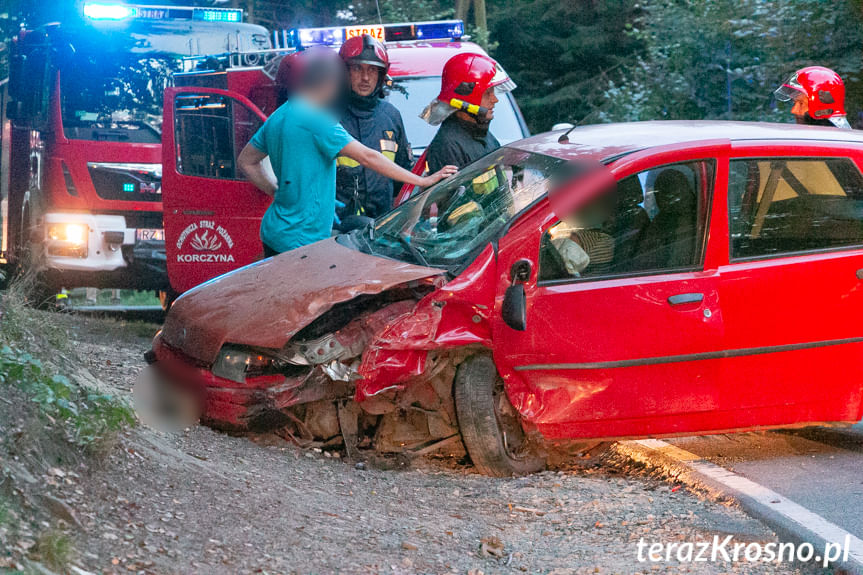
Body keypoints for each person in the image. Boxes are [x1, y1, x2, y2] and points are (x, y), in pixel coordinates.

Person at [237, 49, 457, 257]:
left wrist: (278, 193)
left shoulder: (281, 114)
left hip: (274, 232)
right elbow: (367, 157)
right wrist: (422, 180)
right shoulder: (318, 121)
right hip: (302, 242)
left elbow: (246, 161)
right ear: (331, 83)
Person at [335, 34, 412, 225]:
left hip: (382, 228)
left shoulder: (391, 116)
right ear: (343, 71)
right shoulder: (328, 116)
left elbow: (402, 174)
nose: (365, 77)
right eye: (357, 68)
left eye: (372, 70)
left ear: (381, 75)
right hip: (335, 230)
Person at [421, 53, 517, 172]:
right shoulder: (448, 146)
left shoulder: (484, 136)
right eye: (487, 93)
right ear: (465, 99)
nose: (495, 99)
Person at [774, 66, 852, 129]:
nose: (794, 111)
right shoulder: (843, 141)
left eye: (801, 103)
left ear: (822, 108)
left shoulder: (835, 144)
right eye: (794, 103)